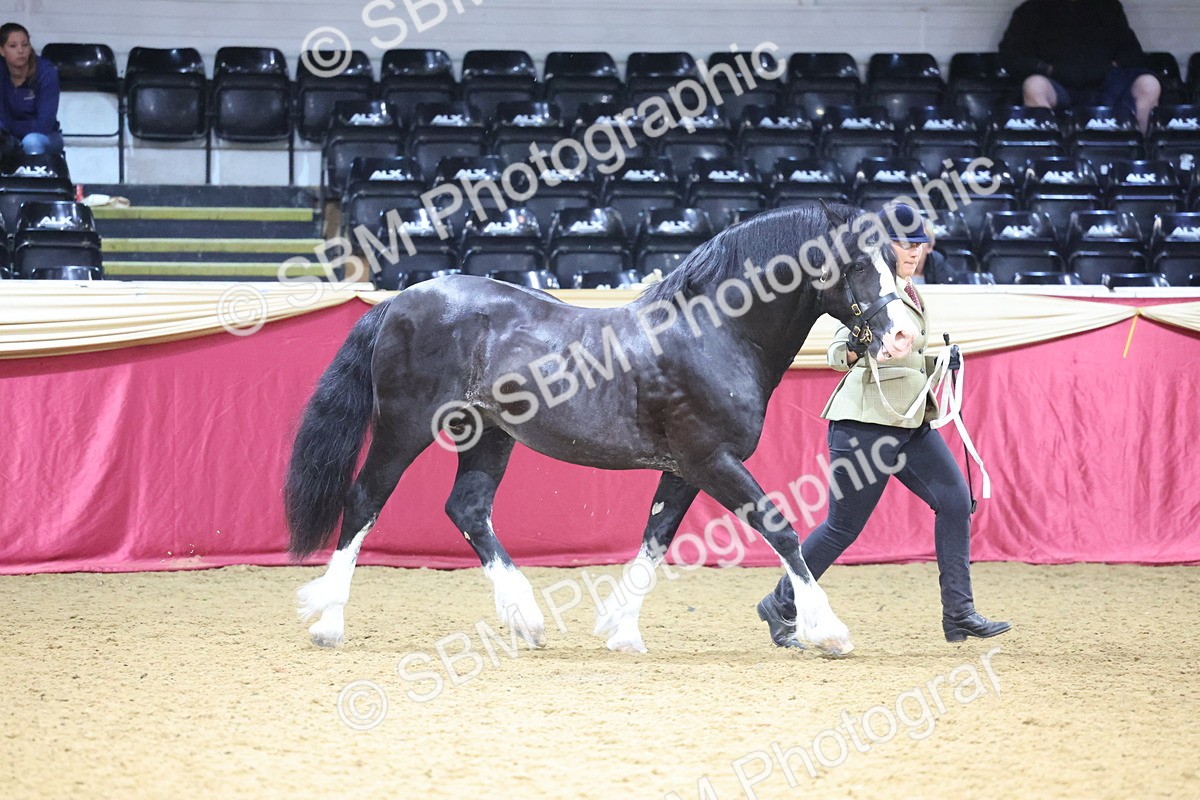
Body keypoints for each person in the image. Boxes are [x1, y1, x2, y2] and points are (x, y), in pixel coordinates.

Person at [756, 203, 1010, 647]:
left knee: (954, 500)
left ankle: (959, 612)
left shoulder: (909, 291)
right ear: (884, 245)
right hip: (864, 426)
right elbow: (838, 355)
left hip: (909, 422)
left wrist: (939, 361)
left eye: (919, 244)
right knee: (842, 528)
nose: (913, 252)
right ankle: (781, 602)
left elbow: (907, 360)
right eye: (904, 244)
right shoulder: (869, 287)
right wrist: (857, 346)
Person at [998, 0, 1160, 134]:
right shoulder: (1031, 10)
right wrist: (1048, 69)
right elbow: (1010, 57)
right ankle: (1051, 151)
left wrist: (1110, 66)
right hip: (1057, 83)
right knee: (1034, 86)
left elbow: (1133, 52)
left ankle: (1139, 150)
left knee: (1149, 84)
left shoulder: (1108, 7)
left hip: (1105, 84)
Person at [0, 22, 61, 156]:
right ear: (2, 51)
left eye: (25, 44)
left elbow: (44, 124)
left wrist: (9, 128)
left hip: (45, 136)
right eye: (13, 46)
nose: (21, 50)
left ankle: (34, 177)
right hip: (7, 136)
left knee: (31, 141)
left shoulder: (46, 72)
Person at [913, 219, 968, 285]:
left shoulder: (937, 263)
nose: (913, 246)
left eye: (919, 241)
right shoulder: (898, 263)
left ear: (930, 247)